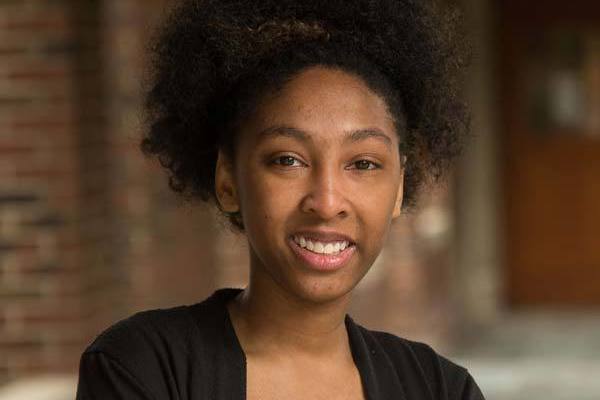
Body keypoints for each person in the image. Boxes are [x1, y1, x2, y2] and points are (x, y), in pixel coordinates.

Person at [76, 0, 484, 399]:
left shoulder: (441, 389)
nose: (327, 202)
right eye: (288, 160)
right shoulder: (144, 369)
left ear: (399, 188)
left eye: (363, 163)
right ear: (227, 181)